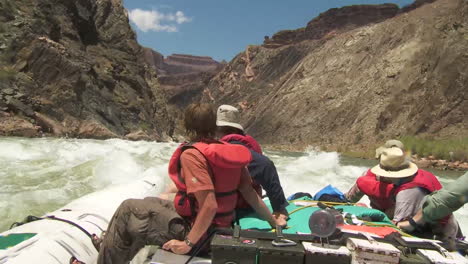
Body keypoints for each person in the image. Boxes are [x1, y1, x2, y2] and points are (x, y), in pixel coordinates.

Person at [97, 103, 276, 264]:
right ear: (214, 125)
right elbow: (250, 193)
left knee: (128, 209)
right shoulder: (228, 152)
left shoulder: (192, 154)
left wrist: (187, 244)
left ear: (188, 127)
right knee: (150, 202)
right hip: (220, 227)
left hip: (202, 234)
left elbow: (209, 205)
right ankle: (114, 245)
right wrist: (274, 222)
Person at [345, 147, 459, 241]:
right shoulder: (414, 177)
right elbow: (348, 198)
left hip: (438, 233)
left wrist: (367, 216)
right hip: (416, 219)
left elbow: (398, 228)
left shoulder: (409, 191)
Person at [216, 105, 289, 226]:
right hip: (248, 207)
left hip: (226, 210)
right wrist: (279, 206)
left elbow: (265, 166)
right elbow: (267, 167)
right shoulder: (251, 151)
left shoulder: (221, 150)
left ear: (217, 130)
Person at [398, 172, 468, 233]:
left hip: (443, 229)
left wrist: (413, 222)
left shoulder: (406, 192)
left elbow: (448, 198)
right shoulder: (424, 176)